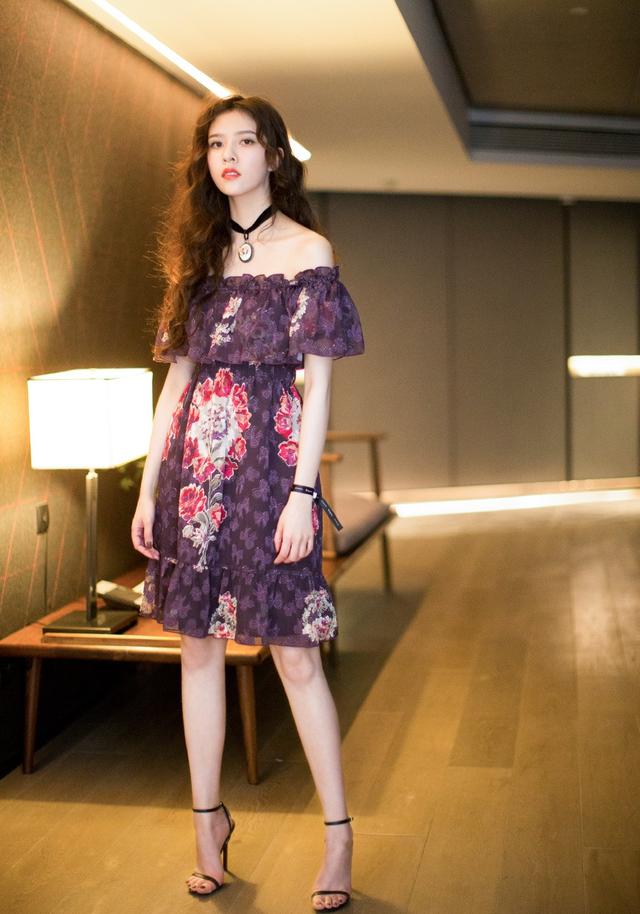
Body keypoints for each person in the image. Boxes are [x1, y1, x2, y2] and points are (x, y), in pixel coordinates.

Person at [130, 93, 365, 911]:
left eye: (245, 141)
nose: (228, 156)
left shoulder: (309, 251)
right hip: (195, 479)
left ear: (273, 155)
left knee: (296, 654)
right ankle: (208, 827)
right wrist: (150, 487)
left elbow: (318, 389)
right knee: (197, 649)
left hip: (272, 474)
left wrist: (304, 492)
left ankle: (338, 838)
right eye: (215, 144)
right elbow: (176, 389)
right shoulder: (195, 260)